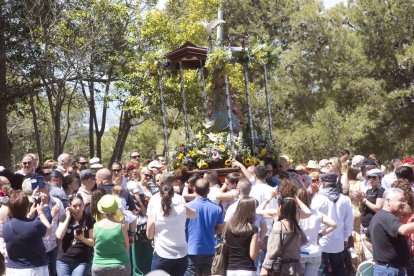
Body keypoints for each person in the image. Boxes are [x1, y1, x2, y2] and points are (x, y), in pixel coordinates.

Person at [146, 178, 196, 276]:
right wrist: (184, 207)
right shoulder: (182, 207)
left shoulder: (155, 211)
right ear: (174, 194)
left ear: (160, 194)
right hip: (181, 255)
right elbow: (194, 214)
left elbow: (149, 235)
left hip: (162, 254)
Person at [311, 173, 353, 276]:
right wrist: (346, 238)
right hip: (339, 241)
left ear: (323, 183)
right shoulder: (345, 199)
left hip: (321, 240)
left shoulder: (318, 199)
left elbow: (312, 219)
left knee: (321, 270)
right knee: (339, 270)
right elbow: (349, 221)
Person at [364, 188, 414, 275]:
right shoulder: (386, 217)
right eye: (401, 200)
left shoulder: (379, 216)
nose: (404, 203)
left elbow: (366, 239)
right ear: (388, 201)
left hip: (387, 269)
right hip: (390, 271)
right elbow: (403, 230)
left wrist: (380, 255)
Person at [3, 190, 52, 275]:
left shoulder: (6, 225)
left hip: (13, 270)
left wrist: (29, 214)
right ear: (26, 208)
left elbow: (21, 225)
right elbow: (49, 230)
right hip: (34, 270)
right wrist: (40, 213)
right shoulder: (34, 225)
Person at [260, 194, 309, 275]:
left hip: (282, 269)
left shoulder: (279, 225)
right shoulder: (296, 226)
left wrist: (265, 267)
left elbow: (273, 250)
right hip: (296, 268)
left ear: (280, 207)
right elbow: (302, 243)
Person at [185, 178, 224, 276]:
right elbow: (220, 228)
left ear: (194, 189)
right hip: (208, 248)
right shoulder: (216, 208)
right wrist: (209, 231)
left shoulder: (187, 207)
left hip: (191, 248)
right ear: (209, 191)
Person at [297, 189, 337, 276]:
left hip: (300, 252)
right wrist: (320, 235)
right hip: (315, 252)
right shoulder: (317, 213)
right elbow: (333, 224)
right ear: (311, 200)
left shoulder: (297, 214)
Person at [56, 194, 94, 276]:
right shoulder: (64, 217)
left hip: (82, 261)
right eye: (74, 206)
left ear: (84, 205)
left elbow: (93, 242)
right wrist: (68, 217)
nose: (78, 208)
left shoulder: (88, 219)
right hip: (64, 260)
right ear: (70, 206)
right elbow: (59, 236)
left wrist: (82, 239)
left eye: (80, 205)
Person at [92, 194, 130, 275]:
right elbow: (127, 246)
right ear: (116, 209)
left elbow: (95, 244)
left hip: (99, 265)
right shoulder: (122, 227)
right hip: (120, 264)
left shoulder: (96, 226)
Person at [225, 197, 260, 276]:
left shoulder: (229, 227)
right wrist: (258, 245)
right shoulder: (252, 229)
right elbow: (253, 256)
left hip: (230, 269)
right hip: (247, 269)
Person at [355, 168, 384, 260]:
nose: (370, 179)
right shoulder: (368, 191)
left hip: (373, 225)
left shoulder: (381, 191)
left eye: (373, 177)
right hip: (364, 225)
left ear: (379, 179)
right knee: (367, 253)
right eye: (368, 177)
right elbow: (361, 210)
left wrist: (364, 200)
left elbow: (378, 208)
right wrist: (361, 201)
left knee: (372, 253)